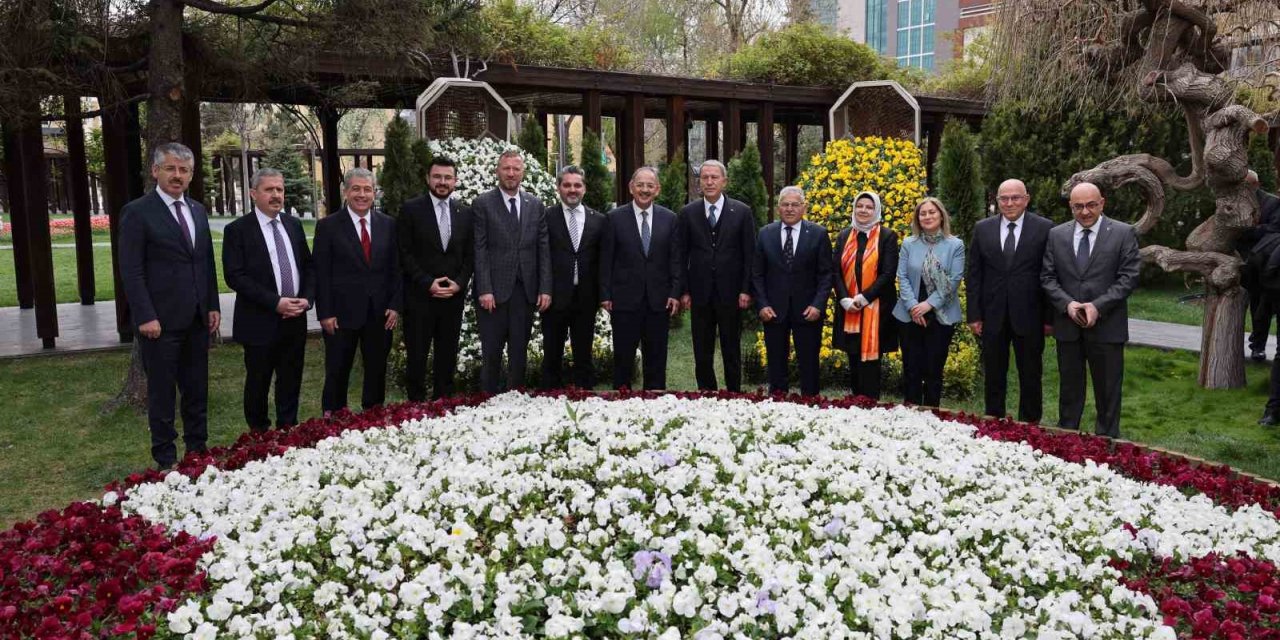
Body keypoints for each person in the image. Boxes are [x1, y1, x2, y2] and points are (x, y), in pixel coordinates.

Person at [119, 142, 221, 470]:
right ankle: (165, 458)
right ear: (155, 171)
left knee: (196, 389)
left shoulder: (197, 211)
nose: (177, 175)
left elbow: (205, 262)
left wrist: (212, 305)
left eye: (184, 170)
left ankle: (197, 452)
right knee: (162, 394)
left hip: (196, 318)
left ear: (191, 175)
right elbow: (131, 270)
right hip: (159, 323)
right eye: (171, 169)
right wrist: (145, 315)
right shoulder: (137, 212)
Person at [1041, 182, 1140, 438]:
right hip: (1068, 327)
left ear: (1102, 203)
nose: (1085, 212)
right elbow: (1047, 277)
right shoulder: (1057, 234)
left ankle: (1106, 444)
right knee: (1069, 391)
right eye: (1078, 206)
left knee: (1108, 392)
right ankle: (1067, 441)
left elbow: (1128, 278)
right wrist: (1067, 304)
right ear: (1070, 206)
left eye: (1091, 205)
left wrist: (1098, 306)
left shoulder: (1123, 232)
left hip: (1107, 327)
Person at [222, 168, 314, 433]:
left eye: (280, 189)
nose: (276, 195)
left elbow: (308, 267)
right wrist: (275, 302)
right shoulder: (237, 230)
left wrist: (306, 299)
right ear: (253, 194)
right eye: (269, 189)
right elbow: (235, 276)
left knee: (291, 378)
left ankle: (288, 427)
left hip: (295, 318)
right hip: (259, 321)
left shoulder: (293, 225)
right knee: (258, 382)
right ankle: (259, 433)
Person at [314, 168, 402, 414]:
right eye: (356, 189)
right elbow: (321, 273)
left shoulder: (388, 225)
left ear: (375, 193)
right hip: (341, 315)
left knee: (376, 368)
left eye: (367, 189)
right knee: (337, 368)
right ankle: (333, 416)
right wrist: (325, 313)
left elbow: (397, 268)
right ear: (346, 192)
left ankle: (372, 415)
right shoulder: (328, 226)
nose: (362, 194)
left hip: (380, 313)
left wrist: (395, 305)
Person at [966, 178, 1055, 422]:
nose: (1010, 203)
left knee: (1030, 374)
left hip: (1030, 315)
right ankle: (993, 421)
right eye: (1004, 198)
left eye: (1015, 198)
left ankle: (1029, 424)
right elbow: (974, 275)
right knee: (994, 373)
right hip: (992, 315)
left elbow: (1051, 275)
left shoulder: (1045, 228)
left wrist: (1050, 318)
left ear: (1027, 199)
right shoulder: (982, 228)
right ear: (997, 201)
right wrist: (974, 314)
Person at [472, 149, 552, 393]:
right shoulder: (483, 203)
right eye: (506, 168)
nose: (511, 173)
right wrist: (484, 289)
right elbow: (480, 249)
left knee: (519, 350)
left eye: (516, 169)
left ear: (522, 173)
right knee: (492, 351)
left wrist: (545, 288)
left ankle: (515, 400)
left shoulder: (535, 204)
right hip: (493, 293)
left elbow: (543, 249)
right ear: (498, 171)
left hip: (525, 291)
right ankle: (488, 399)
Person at [397, 157, 474, 401]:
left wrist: (459, 283)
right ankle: (416, 407)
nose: (442, 182)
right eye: (437, 177)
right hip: (420, 298)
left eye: (447, 177)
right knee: (417, 357)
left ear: (455, 181)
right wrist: (427, 282)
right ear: (428, 179)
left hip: (452, 299)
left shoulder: (465, 212)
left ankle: (444, 403)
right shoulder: (411, 210)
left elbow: (470, 255)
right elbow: (404, 253)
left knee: (447, 356)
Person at [599, 167, 682, 390]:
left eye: (650, 186)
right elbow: (606, 259)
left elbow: (676, 260)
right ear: (631, 188)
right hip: (624, 300)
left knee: (656, 357)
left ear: (657, 190)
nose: (644, 190)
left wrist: (675, 293)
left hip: (658, 300)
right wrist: (605, 294)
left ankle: (654, 400)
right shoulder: (614, 218)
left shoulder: (670, 219)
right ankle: (622, 401)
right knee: (623, 357)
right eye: (640, 185)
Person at [678, 159, 756, 392]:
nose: (709, 182)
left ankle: (734, 393)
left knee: (731, 347)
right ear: (699, 182)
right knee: (702, 349)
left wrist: (746, 289)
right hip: (699, 293)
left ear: (724, 181)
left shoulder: (742, 212)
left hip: (731, 294)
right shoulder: (688, 213)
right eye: (705, 178)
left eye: (714, 177)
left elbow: (749, 255)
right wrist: (684, 290)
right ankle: (707, 392)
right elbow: (680, 256)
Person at [751, 186, 832, 396]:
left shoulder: (818, 234)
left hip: (808, 310)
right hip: (773, 310)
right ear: (778, 208)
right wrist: (762, 304)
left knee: (809, 362)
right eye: (785, 204)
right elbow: (757, 274)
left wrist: (818, 305)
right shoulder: (765, 233)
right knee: (776, 362)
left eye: (795, 205)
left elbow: (826, 275)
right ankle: (778, 402)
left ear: (803, 207)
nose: (789, 209)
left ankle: (811, 402)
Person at [893, 197, 964, 407]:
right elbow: (902, 276)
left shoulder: (955, 245)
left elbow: (954, 279)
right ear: (917, 218)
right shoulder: (908, 243)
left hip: (940, 315)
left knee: (934, 370)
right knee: (911, 368)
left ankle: (932, 414)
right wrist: (914, 307)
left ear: (941, 215)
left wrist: (928, 305)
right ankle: (910, 413)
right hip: (908, 315)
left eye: (932, 212)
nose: (927, 216)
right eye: (923, 213)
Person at [541, 166, 605, 389]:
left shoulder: (599, 220)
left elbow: (603, 261)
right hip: (554, 297)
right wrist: (543, 289)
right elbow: (541, 257)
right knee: (551, 352)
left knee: (584, 353)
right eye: (567, 185)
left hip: (586, 298)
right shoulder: (546, 217)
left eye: (577, 185)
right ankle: (550, 396)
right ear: (559, 188)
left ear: (584, 189)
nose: (572, 189)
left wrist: (603, 295)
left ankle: (584, 395)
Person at [832, 191, 899, 399]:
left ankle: (871, 403)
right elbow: (835, 271)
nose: (863, 210)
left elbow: (888, 273)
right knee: (853, 356)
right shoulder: (844, 235)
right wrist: (844, 298)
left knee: (871, 361)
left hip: (876, 309)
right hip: (849, 308)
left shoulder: (887, 236)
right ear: (854, 208)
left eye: (869, 207)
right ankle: (855, 402)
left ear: (876, 210)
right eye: (860, 206)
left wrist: (864, 298)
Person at [1238, 170, 1280, 361]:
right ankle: (1256, 346)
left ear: (1256, 184)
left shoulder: (1272, 203)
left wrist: (1250, 230)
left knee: (1264, 307)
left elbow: (1273, 230)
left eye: (1247, 185)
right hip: (1248, 265)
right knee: (1257, 307)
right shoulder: (1235, 203)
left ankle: (1259, 347)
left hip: (1268, 264)